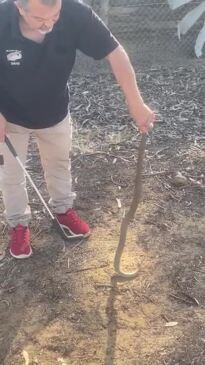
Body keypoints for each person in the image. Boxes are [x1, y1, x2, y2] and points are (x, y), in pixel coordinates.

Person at [0, 0, 155, 259]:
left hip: (55, 111)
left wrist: (136, 102)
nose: (48, 25)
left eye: (55, 16)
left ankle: (63, 211)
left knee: (59, 163)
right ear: (19, 6)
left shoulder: (75, 13)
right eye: (39, 19)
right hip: (10, 117)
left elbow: (115, 52)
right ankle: (18, 224)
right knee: (11, 174)